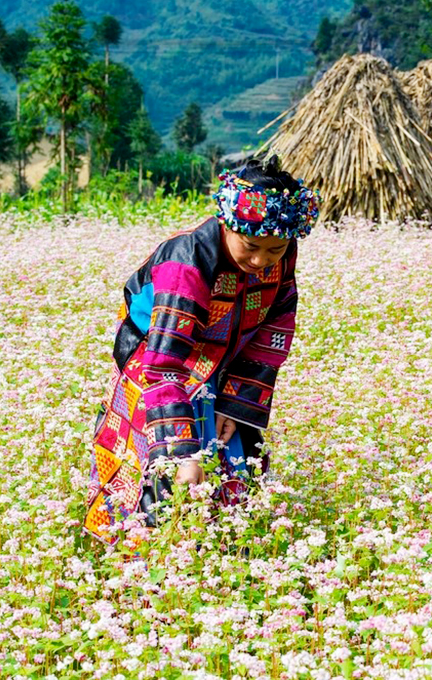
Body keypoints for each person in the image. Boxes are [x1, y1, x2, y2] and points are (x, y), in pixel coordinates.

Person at [85, 156, 320, 545]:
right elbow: (162, 366)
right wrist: (183, 453)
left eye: (275, 250)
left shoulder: (281, 255)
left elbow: (273, 328)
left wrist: (235, 402)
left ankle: (223, 552)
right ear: (228, 225)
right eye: (251, 246)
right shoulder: (187, 262)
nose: (261, 261)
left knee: (235, 455)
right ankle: (139, 566)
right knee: (158, 471)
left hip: (222, 364)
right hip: (154, 361)